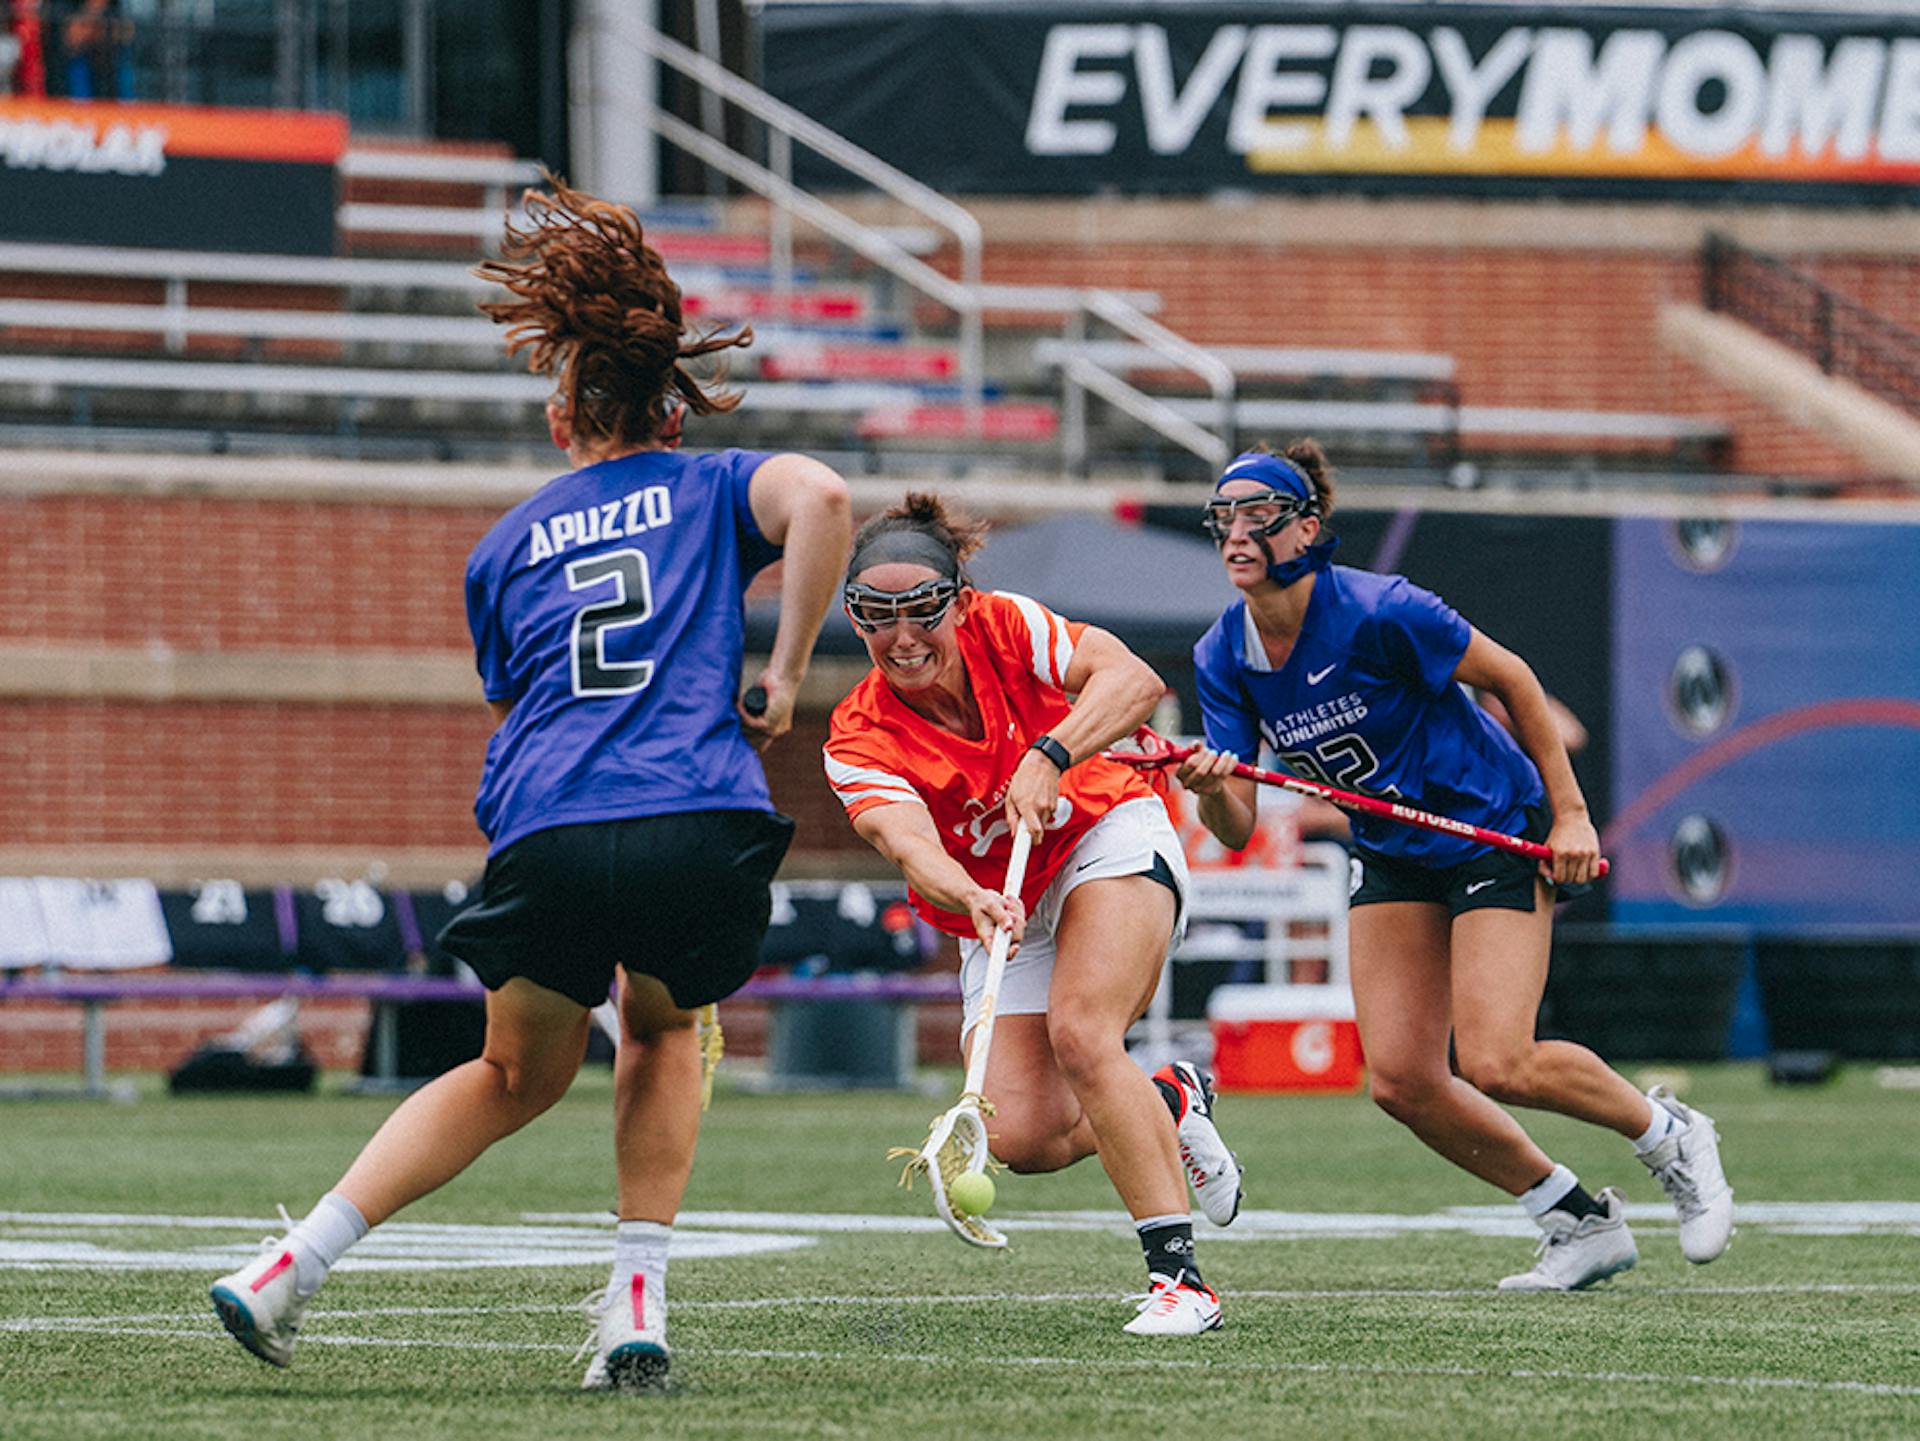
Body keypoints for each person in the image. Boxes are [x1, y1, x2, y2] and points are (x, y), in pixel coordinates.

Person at [208, 177, 853, 1389]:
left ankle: (291, 1264)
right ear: (672, 415)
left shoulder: (502, 545)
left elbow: (517, 706)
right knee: (662, 1029)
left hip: (547, 821)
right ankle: (635, 1305)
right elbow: (821, 496)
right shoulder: (712, 485)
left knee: (515, 1072)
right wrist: (780, 673)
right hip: (691, 807)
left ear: (564, 424)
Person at [1176, 441, 1733, 1291]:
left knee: (1499, 1059)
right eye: (1225, 519)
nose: (1238, 535)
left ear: (1308, 528)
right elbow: (1238, 820)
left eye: (1260, 517)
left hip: (1489, 826)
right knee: (1401, 1079)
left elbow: (1513, 677)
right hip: (1392, 849)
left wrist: (1572, 812)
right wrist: (1212, 788)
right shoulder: (1222, 654)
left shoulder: (1381, 609)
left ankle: (1670, 1134)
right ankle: (1575, 1218)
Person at [823, 493, 1242, 1337]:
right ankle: (1168, 1098)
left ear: (958, 601)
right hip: (1000, 900)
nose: (902, 637)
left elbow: (1133, 680)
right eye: (875, 616)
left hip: (1105, 832)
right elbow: (909, 843)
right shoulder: (855, 736)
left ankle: (1180, 1280)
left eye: (921, 611)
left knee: (1082, 1031)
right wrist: (969, 894)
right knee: (1022, 1135)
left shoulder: (1009, 625)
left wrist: (1051, 754)